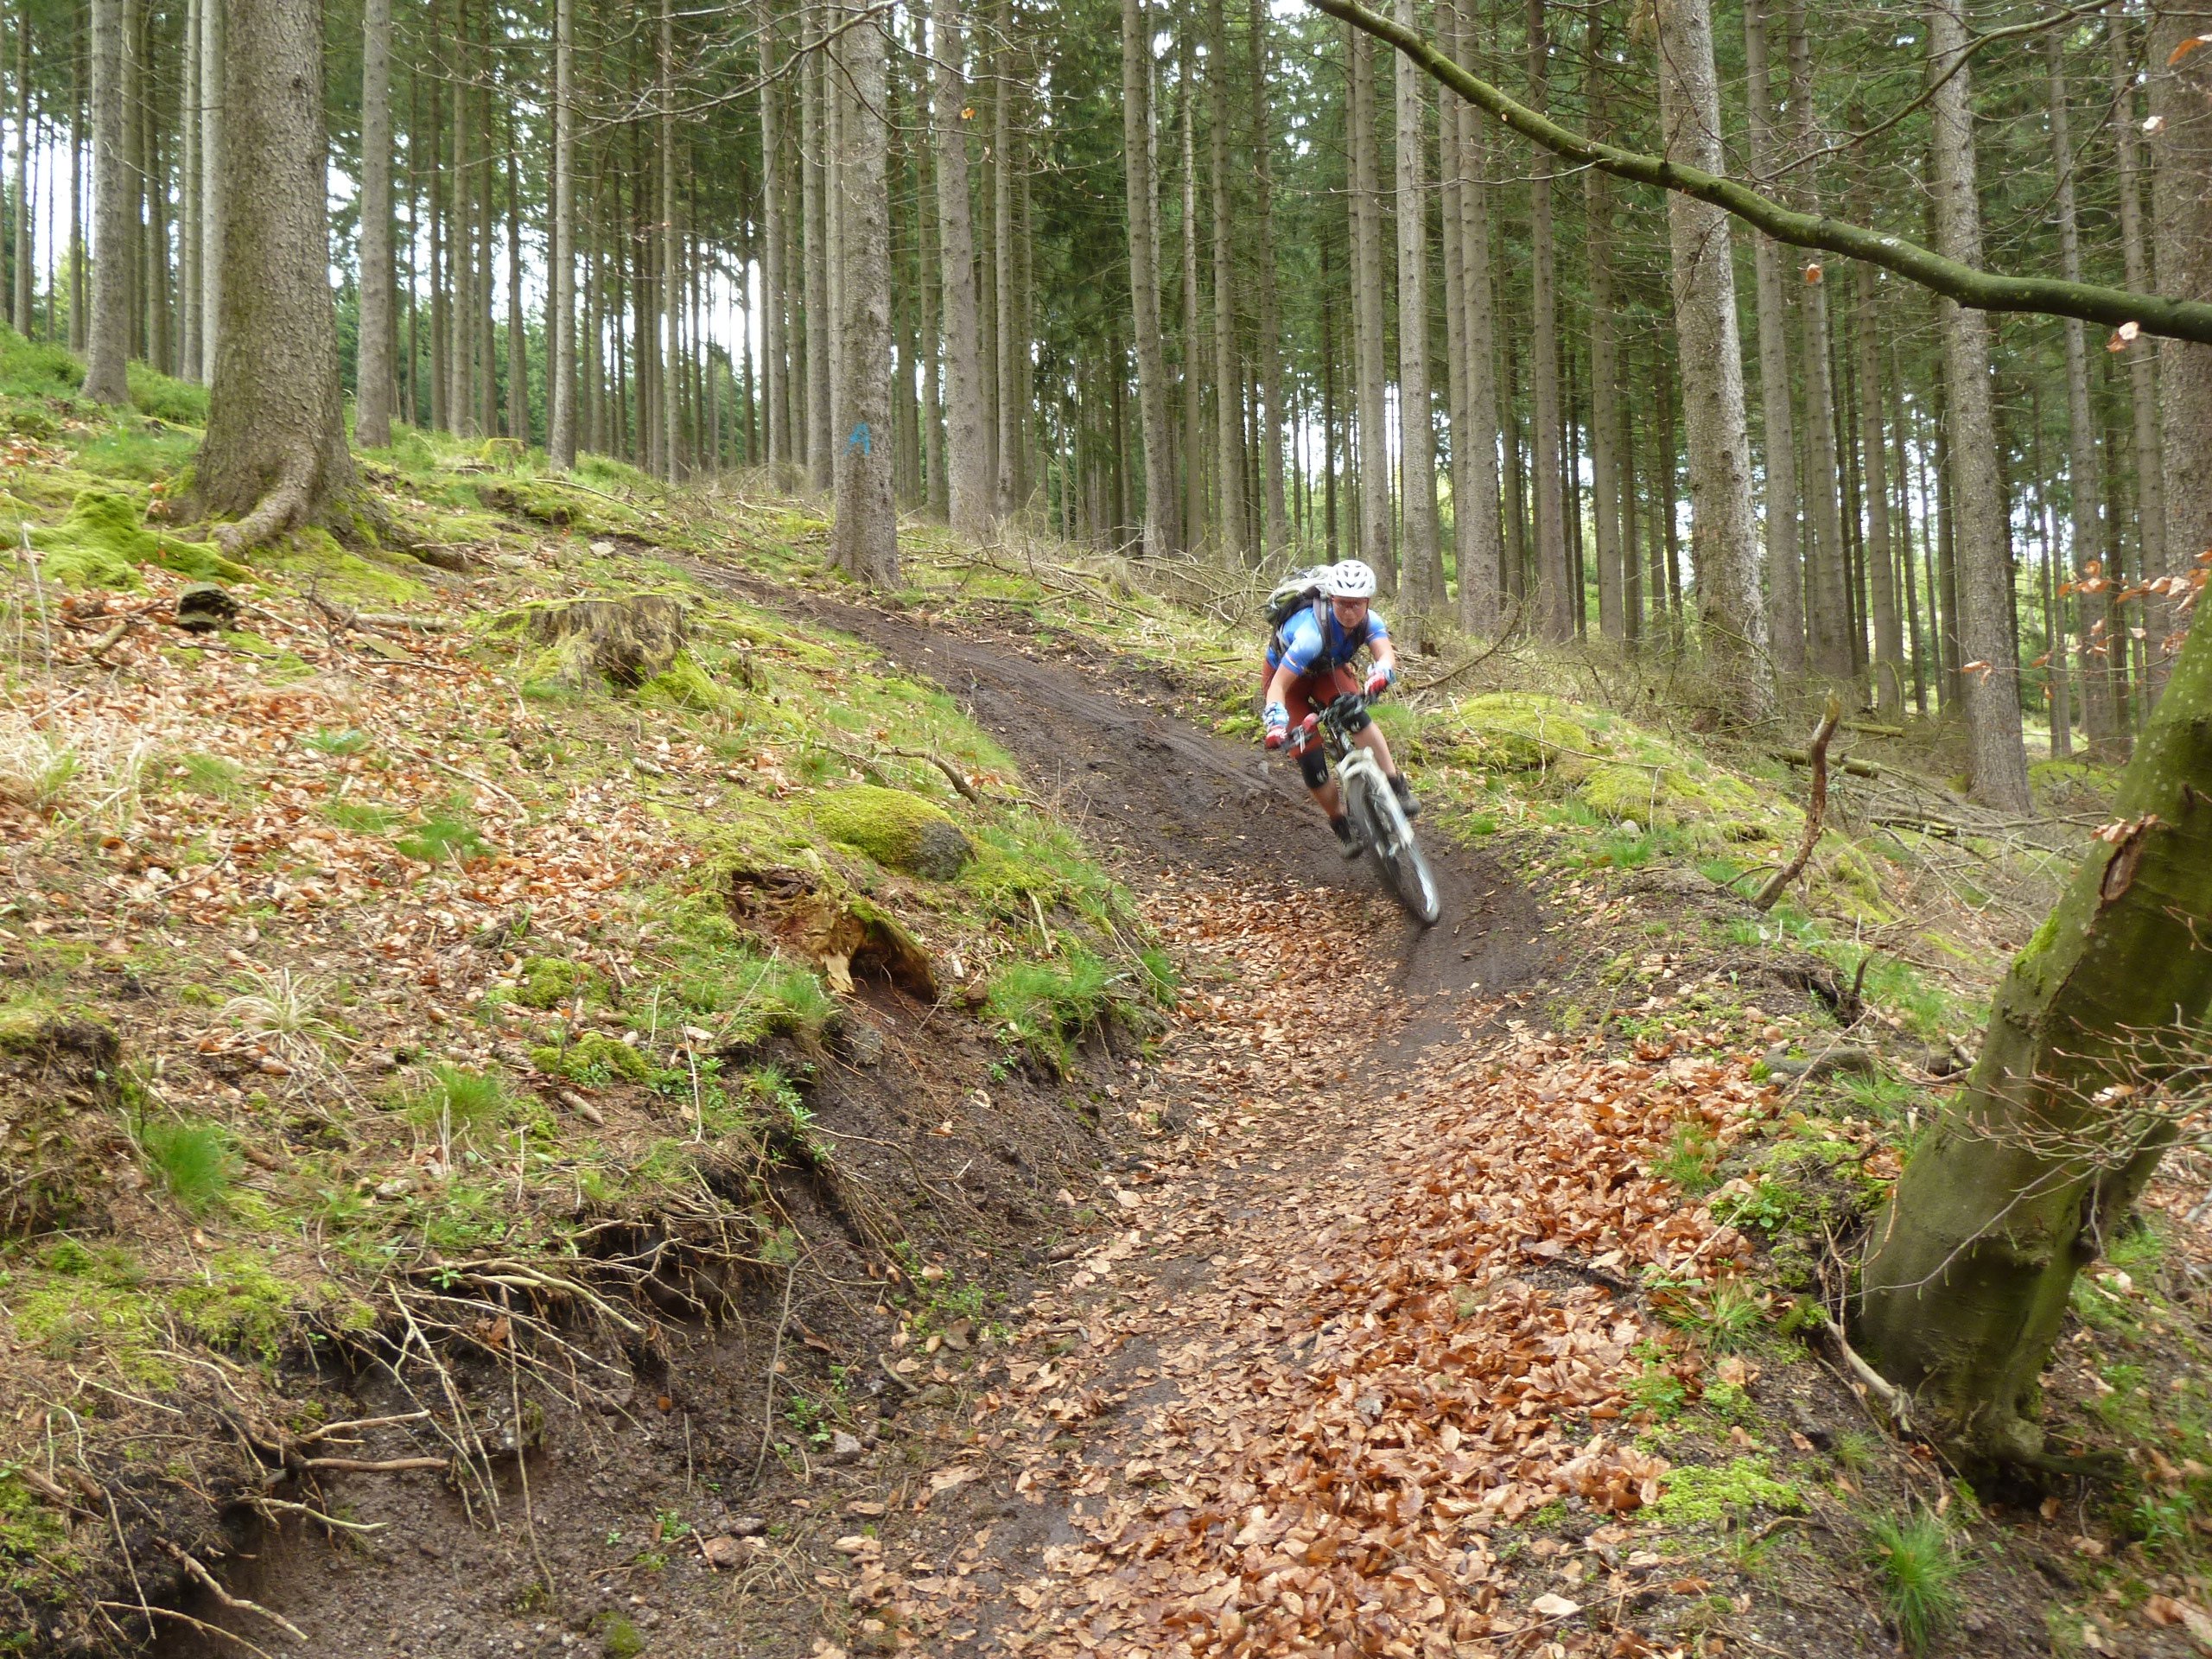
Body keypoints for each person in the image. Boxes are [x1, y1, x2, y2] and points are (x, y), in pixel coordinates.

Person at [1260, 559, 1419, 856]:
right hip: (1289, 685)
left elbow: (1385, 654)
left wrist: (1381, 673)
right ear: (1331, 599)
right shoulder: (1310, 636)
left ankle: (1395, 784)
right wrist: (1276, 723)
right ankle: (1340, 822)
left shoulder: (1371, 621)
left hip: (1327, 673)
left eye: (1357, 604)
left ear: (1367, 602)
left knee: (1355, 713)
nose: (1349, 611)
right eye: (1342, 603)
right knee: (1311, 761)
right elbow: (1278, 686)